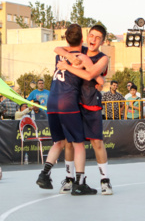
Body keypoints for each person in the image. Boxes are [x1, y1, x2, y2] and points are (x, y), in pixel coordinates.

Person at [36, 24, 97, 195]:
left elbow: (57, 48)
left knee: (59, 142)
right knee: (78, 144)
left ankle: (44, 174)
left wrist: (68, 56)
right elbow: (92, 74)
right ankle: (79, 183)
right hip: (67, 101)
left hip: (52, 101)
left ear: (66, 38)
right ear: (83, 39)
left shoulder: (60, 54)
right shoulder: (83, 57)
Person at [55, 24, 112, 195]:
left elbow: (89, 75)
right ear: (87, 36)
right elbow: (57, 48)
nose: (93, 39)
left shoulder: (103, 58)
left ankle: (105, 181)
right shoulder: (81, 50)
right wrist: (68, 56)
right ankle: (69, 179)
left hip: (91, 103)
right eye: (91, 36)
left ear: (103, 41)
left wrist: (68, 66)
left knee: (97, 143)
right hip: (73, 102)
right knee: (70, 143)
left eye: (98, 37)